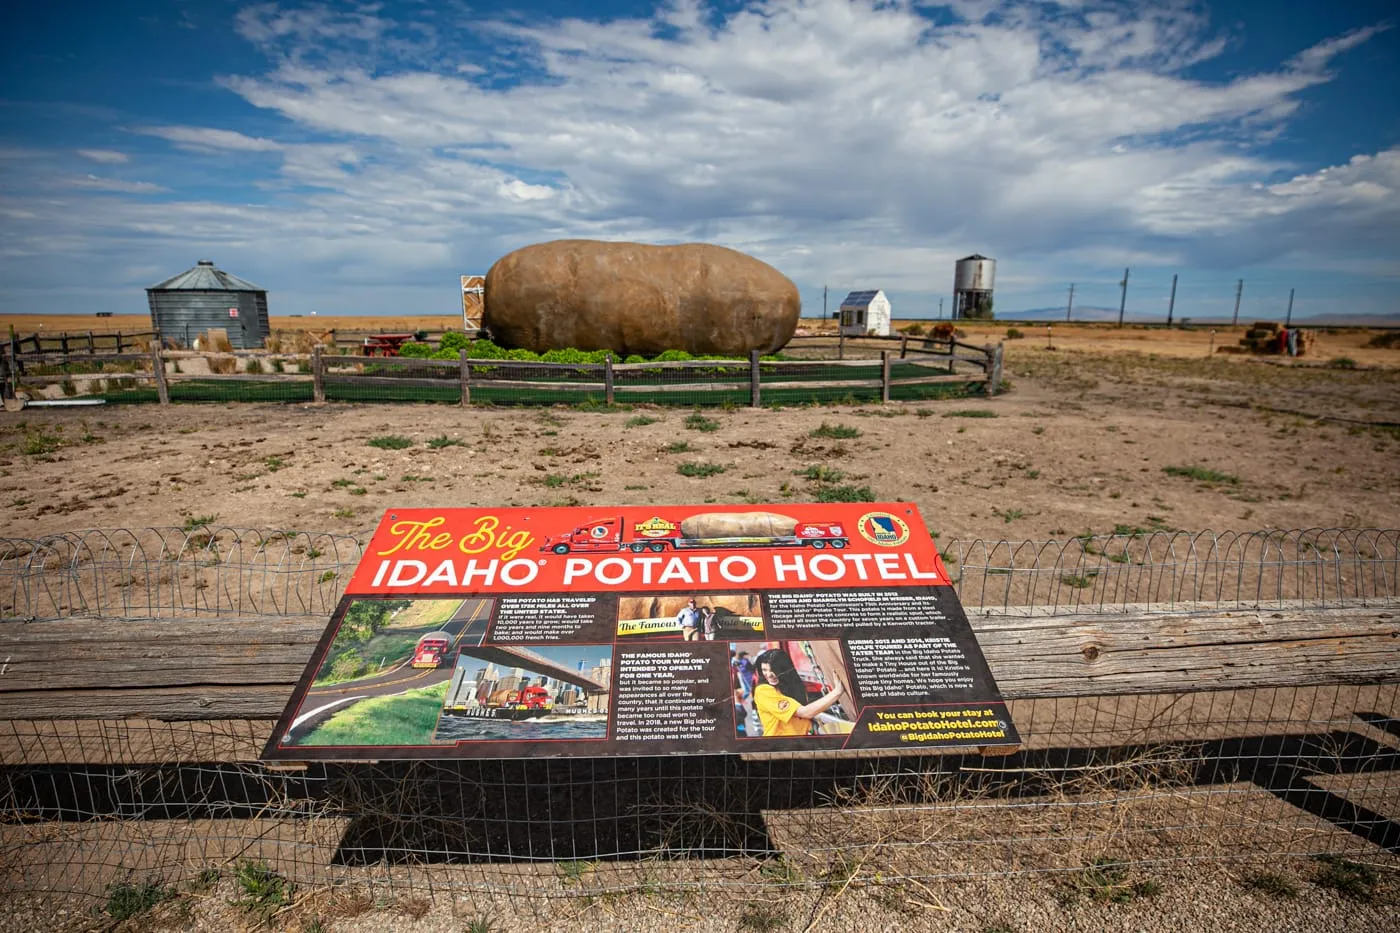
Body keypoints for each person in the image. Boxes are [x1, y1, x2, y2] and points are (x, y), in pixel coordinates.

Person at [751, 647, 845, 738]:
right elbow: (805, 712)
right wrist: (837, 692)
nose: (769, 675)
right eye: (764, 670)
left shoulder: (790, 685)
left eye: (773, 670)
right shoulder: (763, 691)